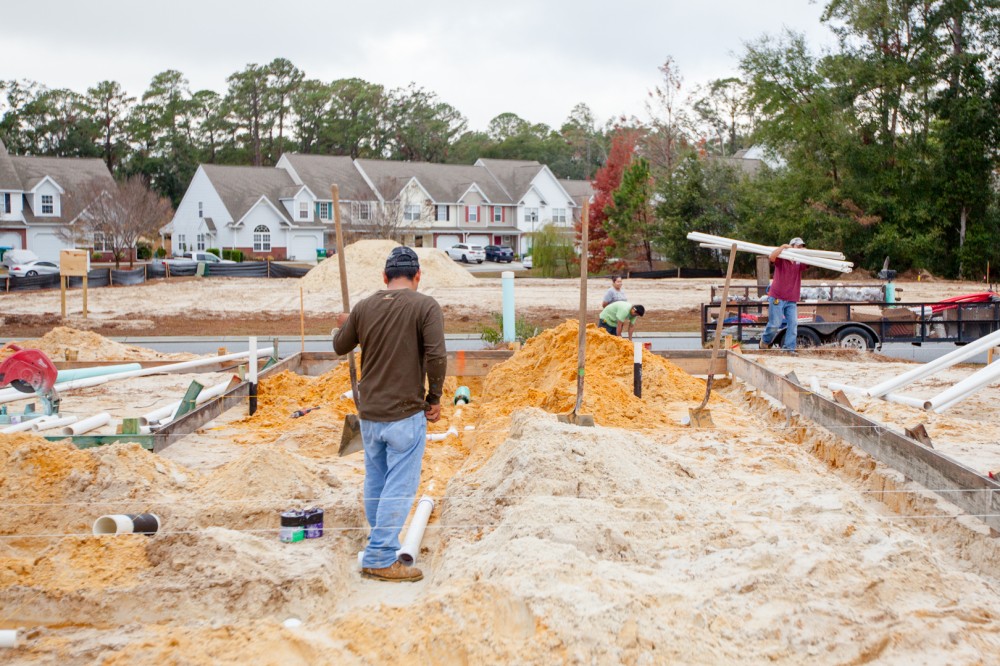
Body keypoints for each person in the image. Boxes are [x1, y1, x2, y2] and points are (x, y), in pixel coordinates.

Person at [333, 246, 446, 583]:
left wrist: (344, 325)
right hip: (404, 412)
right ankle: (381, 556)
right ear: (417, 276)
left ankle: (379, 545)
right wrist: (434, 397)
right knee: (400, 483)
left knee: (377, 479)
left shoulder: (364, 307)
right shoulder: (426, 306)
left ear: (384, 277)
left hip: (369, 413)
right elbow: (437, 356)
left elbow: (340, 346)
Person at [760, 237, 810, 351]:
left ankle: (788, 349)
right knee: (775, 323)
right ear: (791, 246)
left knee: (793, 324)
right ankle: (765, 341)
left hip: (791, 298)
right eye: (798, 246)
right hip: (777, 296)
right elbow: (771, 257)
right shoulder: (782, 258)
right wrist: (782, 247)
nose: (800, 248)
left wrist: (805, 253)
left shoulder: (799, 262)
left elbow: (807, 263)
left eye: (802, 246)